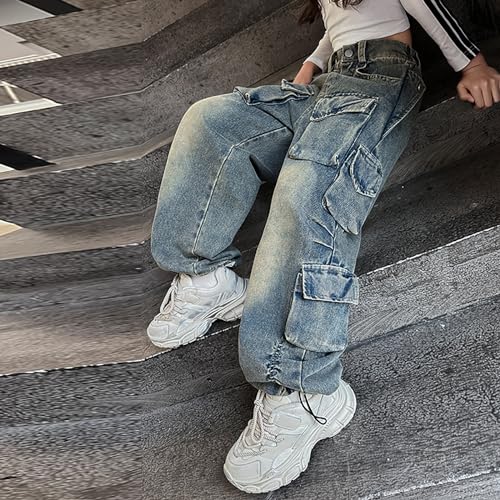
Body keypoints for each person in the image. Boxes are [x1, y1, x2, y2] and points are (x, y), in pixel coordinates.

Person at [148, 0, 500, 493]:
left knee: (310, 184)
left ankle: (303, 390)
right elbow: (338, 26)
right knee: (211, 121)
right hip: (328, 85)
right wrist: (310, 67)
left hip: (380, 78)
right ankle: (207, 279)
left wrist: (472, 63)